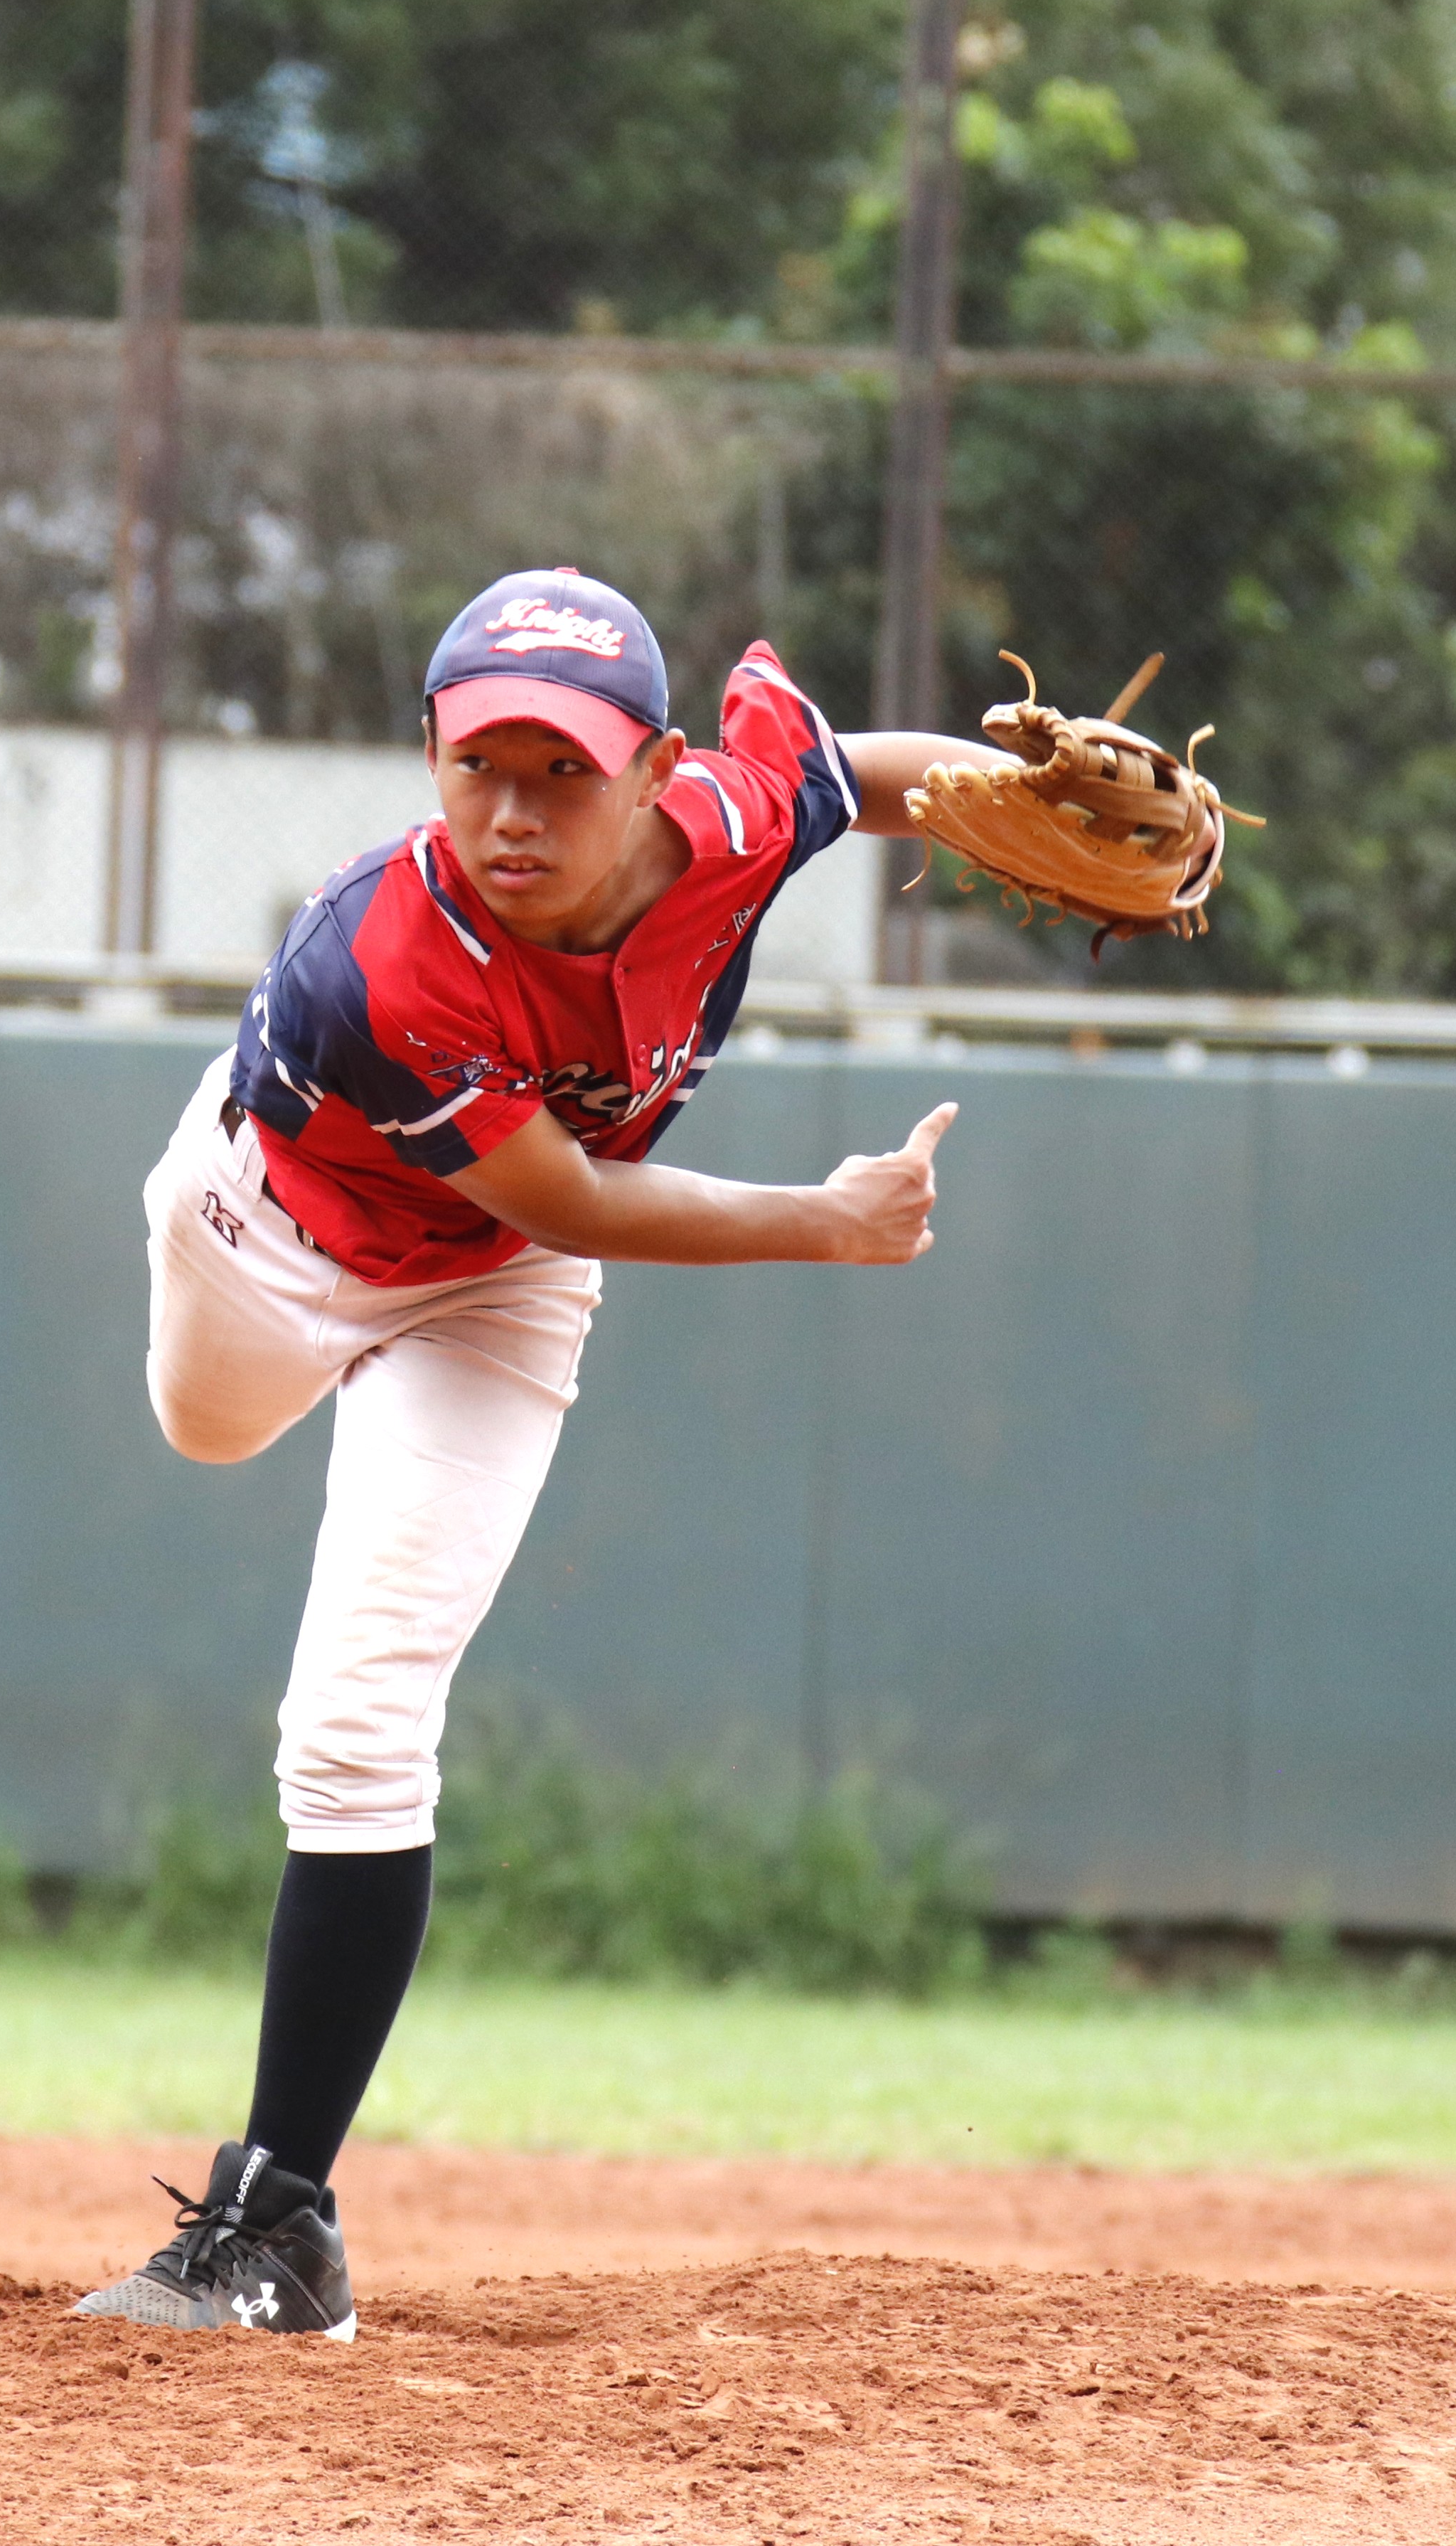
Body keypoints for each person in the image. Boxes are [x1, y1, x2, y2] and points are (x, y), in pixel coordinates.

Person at [75, 569, 1012, 2338]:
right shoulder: (391, 955)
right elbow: (574, 1190)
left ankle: (279, 2227)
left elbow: (858, 777)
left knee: (358, 1729)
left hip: (489, 1289)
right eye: (479, 764)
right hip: (266, 1240)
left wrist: (1020, 792)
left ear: (655, 768)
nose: (513, 811)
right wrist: (827, 1220)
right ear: (429, 756)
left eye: (563, 770)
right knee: (203, 1429)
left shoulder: (726, 820)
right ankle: (278, 2227)